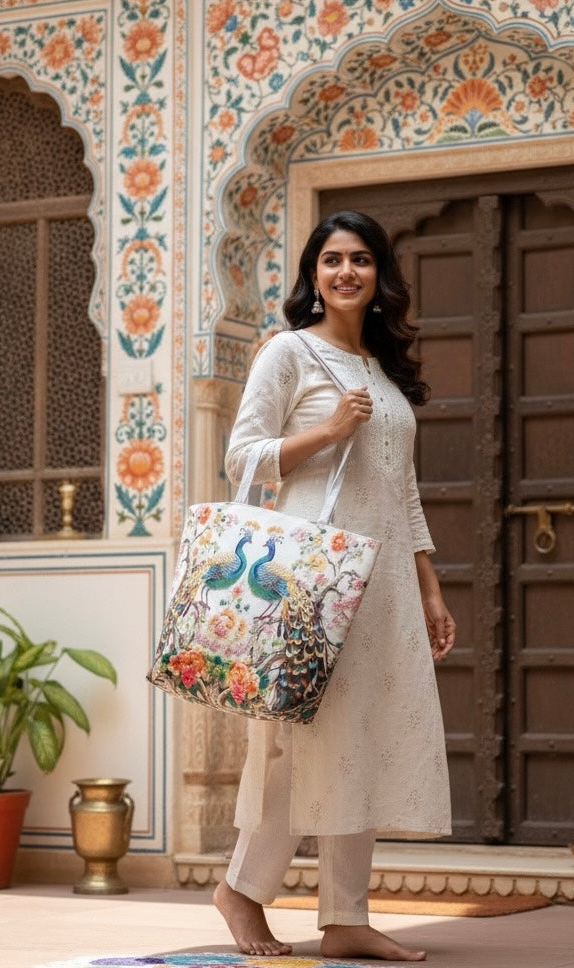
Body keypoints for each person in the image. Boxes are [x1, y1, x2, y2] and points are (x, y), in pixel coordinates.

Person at [214, 210, 456, 961]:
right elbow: (240, 458)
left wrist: (430, 586)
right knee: (298, 742)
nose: (345, 272)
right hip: (311, 582)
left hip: (382, 582)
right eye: (330, 261)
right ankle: (243, 892)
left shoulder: (381, 372)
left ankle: (346, 916)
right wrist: (326, 434)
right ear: (313, 275)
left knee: (363, 741)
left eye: (359, 260)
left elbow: (402, 489)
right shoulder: (288, 354)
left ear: (379, 274)